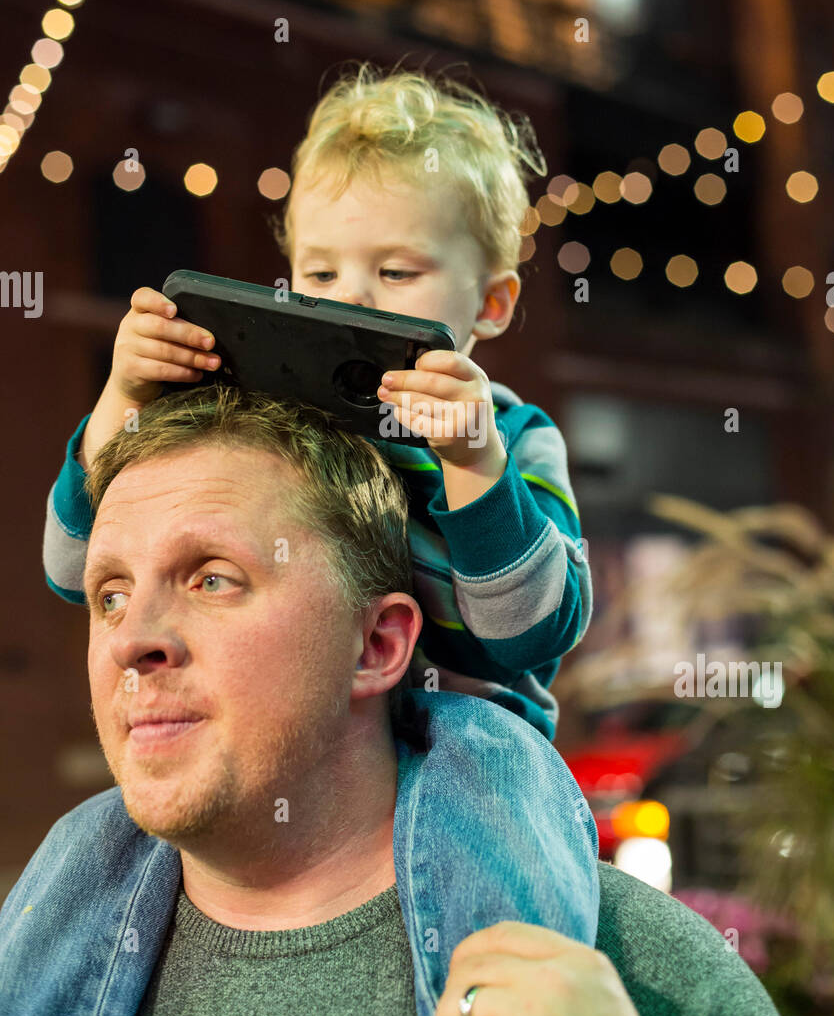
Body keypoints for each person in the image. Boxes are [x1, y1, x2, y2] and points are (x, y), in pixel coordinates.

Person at [2, 387, 801, 1016]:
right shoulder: (30, 967)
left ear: (378, 646)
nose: (129, 640)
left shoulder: (654, 984)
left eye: (214, 578)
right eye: (109, 593)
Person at [41, 63, 600, 959]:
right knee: (89, 851)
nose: (353, 299)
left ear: (491, 303)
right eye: (321, 269)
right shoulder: (265, 419)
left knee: (500, 827)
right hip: (308, 728)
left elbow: (531, 631)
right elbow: (75, 568)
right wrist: (121, 400)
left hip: (466, 727)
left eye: (395, 270)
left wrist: (472, 466)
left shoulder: (513, 438)